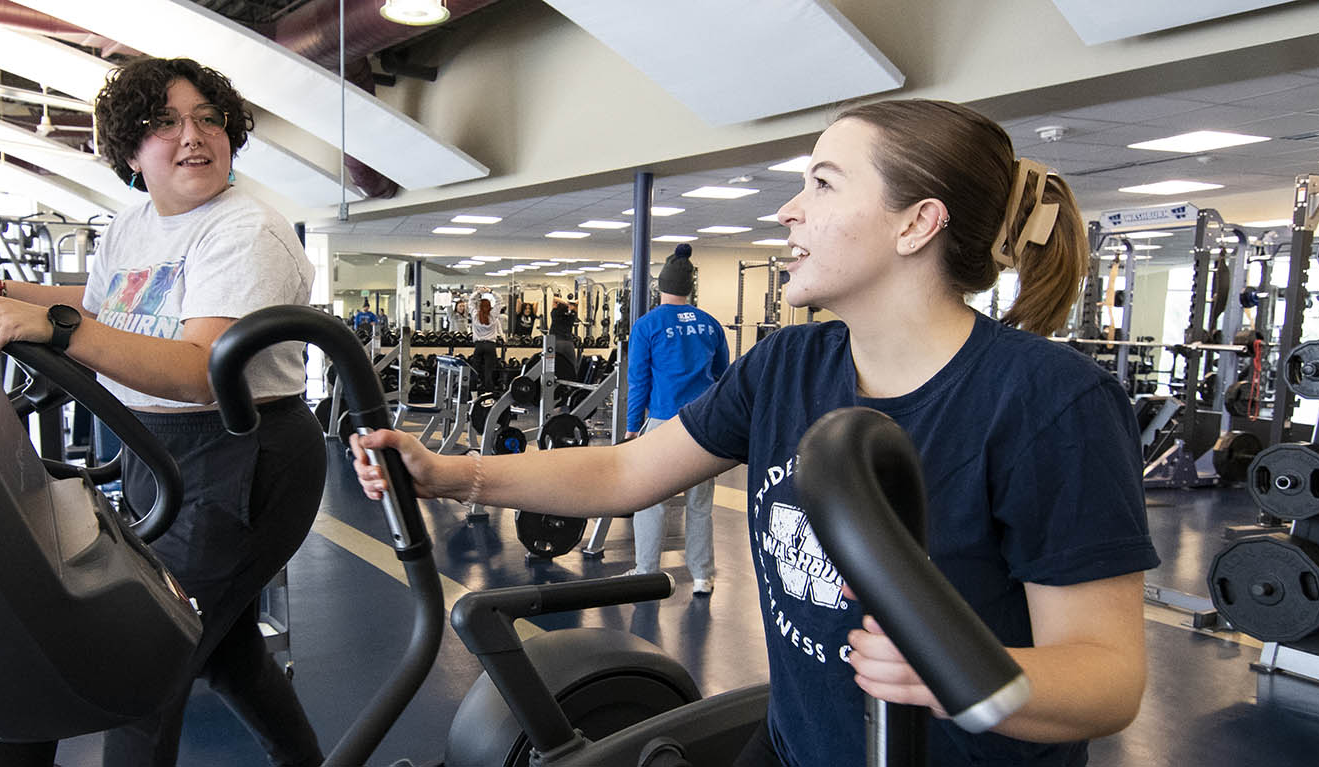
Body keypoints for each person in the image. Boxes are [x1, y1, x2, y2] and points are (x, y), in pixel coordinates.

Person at [350, 99, 1155, 766]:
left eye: (823, 183)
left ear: (918, 224)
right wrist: (454, 475)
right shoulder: (788, 363)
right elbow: (629, 474)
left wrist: (966, 673)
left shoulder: (1050, 402)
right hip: (793, 747)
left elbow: (1108, 678)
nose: (789, 208)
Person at [0, 56, 324, 767]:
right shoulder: (133, 224)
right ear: (131, 149)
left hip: (242, 457)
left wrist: (57, 331)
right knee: (226, 648)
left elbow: (197, 372)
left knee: (148, 662)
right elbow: (101, 309)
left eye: (209, 119)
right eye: (166, 122)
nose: (193, 136)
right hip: (154, 448)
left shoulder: (244, 231)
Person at [624, 243, 729, 595]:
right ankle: (702, 575)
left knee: (651, 502)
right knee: (700, 505)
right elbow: (722, 375)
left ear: (661, 286)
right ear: (690, 289)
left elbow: (639, 380)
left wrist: (631, 426)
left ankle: (646, 572)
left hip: (664, 424)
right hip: (703, 424)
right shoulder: (710, 324)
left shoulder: (647, 325)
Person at [471, 296, 504, 391]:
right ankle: (488, 396)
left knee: (475, 371)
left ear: (479, 307)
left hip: (479, 345)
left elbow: (471, 302)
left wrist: (477, 292)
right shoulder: (494, 317)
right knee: (488, 372)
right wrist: (490, 292)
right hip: (490, 346)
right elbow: (499, 301)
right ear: (490, 306)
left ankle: (473, 395)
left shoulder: (475, 316)